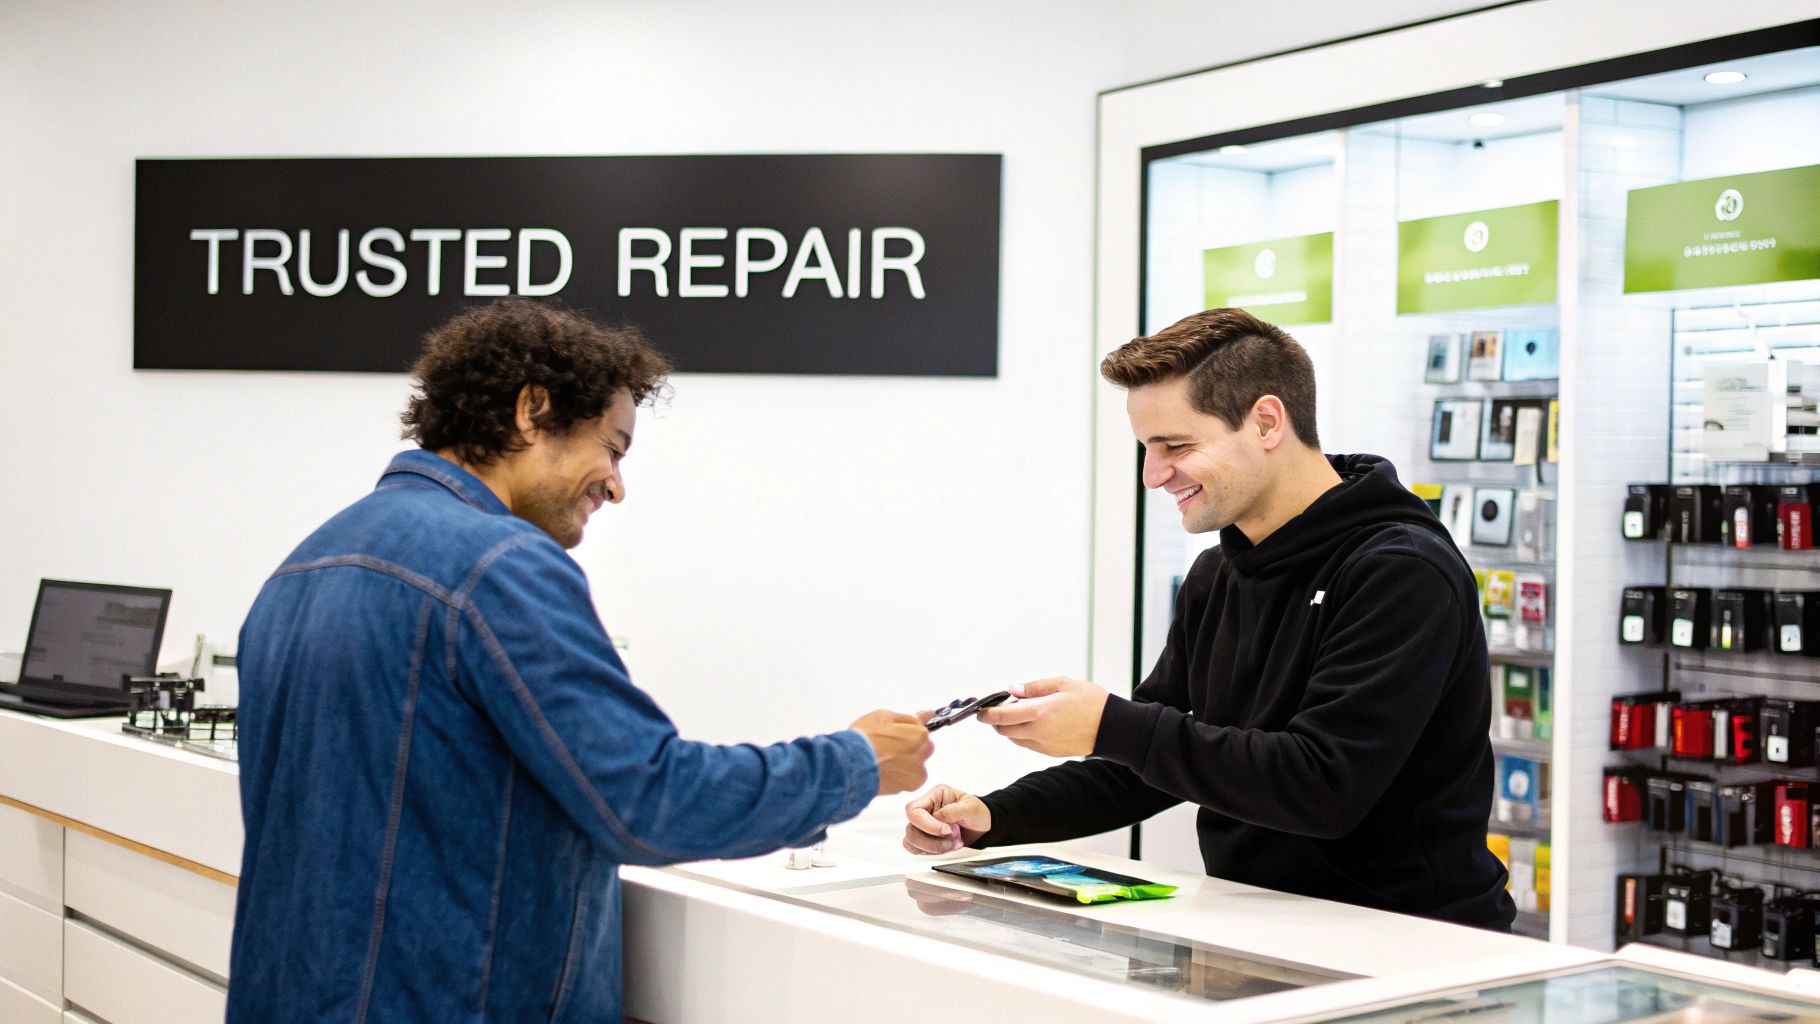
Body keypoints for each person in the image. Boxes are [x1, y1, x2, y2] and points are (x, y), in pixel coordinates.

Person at [228, 298, 934, 1023]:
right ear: (533, 410)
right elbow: (648, 802)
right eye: (614, 447)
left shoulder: (302, 567)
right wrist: (855, 764)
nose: (617, 486)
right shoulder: (499, 564)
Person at [903, 307, 1515, 931]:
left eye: (1177, 446)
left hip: (1414, 943)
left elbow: (1324, 784)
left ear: (1267, 422)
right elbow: (1148, 769)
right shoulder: (1217, 575)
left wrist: (1113, 725)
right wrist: (992, 815)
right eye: (1147, 448)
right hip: (1262, 931)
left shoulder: (1401, 571)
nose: (1153, 475)